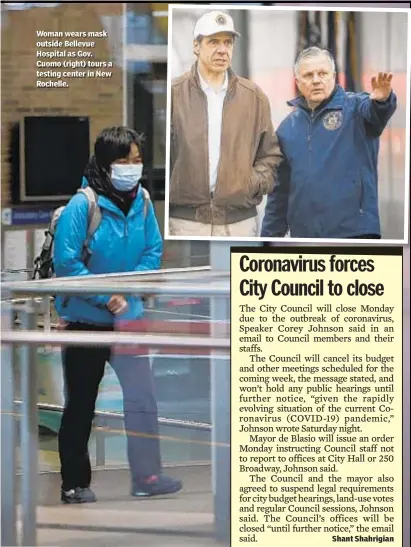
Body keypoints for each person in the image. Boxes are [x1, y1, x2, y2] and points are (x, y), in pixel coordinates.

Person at [53, 126, 182, 503]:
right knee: (81, 404)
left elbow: (152, 252)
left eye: (137, 160)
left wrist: (125, 294)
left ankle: (148, 476)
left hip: (130, 320)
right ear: (106, 163)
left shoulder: (142, 200)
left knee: (143, 400)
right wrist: (106, 297)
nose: (132, 167)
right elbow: (67, 262)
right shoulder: (84, 204)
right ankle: (74, 483)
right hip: (86, 322)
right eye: (124, 161)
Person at [261, 46, 397, 239]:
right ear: (297, 82)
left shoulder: (356, 107)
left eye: (322, 73)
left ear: (334, 76)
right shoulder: (286, 129)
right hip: (305, 240)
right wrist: (268, 239)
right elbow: (279, 194)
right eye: (308, 75)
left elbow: (376, 113)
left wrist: (383, 101)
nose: (316, 80)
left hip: (354, 234)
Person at [168, 10, 282, 238]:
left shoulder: (253, 96)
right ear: (196, 47)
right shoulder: (174, 94)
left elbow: (270, 154)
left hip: (239, 222)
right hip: (186, 222)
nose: (222, 49)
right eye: (213, 42)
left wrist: (252, 184)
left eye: (228, 43)